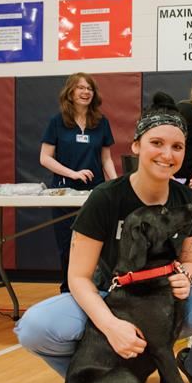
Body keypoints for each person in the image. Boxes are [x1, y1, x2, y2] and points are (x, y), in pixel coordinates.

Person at [16, 92, 192, 383]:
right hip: (110, 297)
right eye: (157, 143)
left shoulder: (189, 201)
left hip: (164, 302)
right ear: (136, 146)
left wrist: (186, 278)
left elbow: (191, 260)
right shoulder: (106, 198)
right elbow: (78, 277)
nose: (167, 154)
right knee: (34, 327)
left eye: (176, 146)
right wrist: (110, 325)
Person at [40, 73, 117, 293]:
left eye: (89, 88)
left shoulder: (101, 123)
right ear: (70, 93)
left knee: (98, 245)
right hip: (65, 193)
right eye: (80, 88)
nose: (85, 92)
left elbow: (106, 159)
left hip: (95, 195)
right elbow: (45, 158)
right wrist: (73, 174)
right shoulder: (57, 122)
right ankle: (68, 291)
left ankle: (97, 291)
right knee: (67, 246)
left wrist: (117, 184)